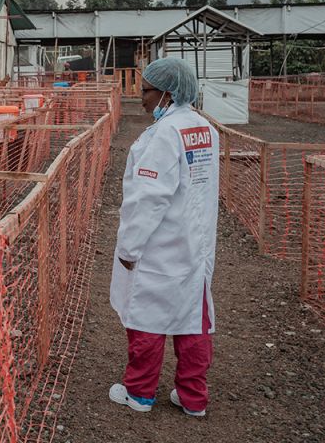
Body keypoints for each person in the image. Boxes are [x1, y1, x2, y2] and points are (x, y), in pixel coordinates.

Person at [108, 57, 218, 418]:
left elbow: (148, 199)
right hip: (195, 243)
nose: (140, 98)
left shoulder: (163, 136)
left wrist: (129, 247)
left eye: (146, 91)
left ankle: (139, 393)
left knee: (147, 319)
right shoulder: (205, 129)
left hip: (160, 244)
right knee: (192, 321)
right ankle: (193, 398)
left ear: (166, 95)